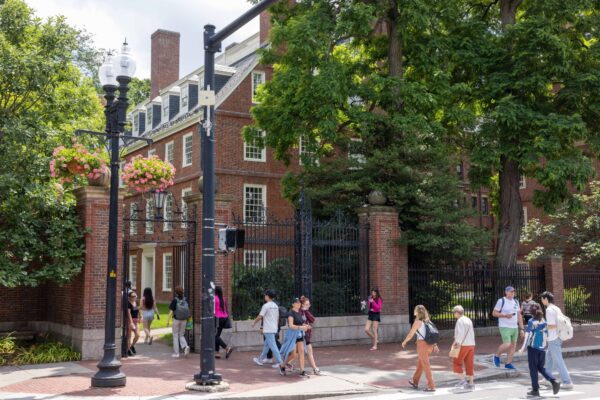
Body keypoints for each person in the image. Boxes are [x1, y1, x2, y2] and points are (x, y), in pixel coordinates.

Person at [518, 306, 561, 396]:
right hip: (542, 348)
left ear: (531, 313)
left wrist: (522, 348)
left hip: (533, 348)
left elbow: (527, 336)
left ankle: (535, 390)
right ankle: (554, 381)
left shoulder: (531, 322)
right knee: (540, 368)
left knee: (533, 369)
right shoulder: (544, 321)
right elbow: (547, 334)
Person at [541, 291, 574, 390]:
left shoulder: (549, 310)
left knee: (558, 361)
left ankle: (567, 382)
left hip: (553, 338)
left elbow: (552, 325)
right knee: (549, 358)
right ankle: (547, 378)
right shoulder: (556, 308)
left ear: (546, 299)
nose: (542, 301)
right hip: (558, 337)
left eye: (542, 299)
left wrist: (543, 326)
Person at [402, 305, 438, 392]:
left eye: (415, 310)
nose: (414, 311)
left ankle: (431, 386)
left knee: (426, 365)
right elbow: (432, 332)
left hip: (422, 345)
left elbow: (411, 334)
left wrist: (404, 341)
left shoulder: (417, 322)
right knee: (421, 364)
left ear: (417, 312)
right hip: (430, 345)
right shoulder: (427, 320)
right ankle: (415, 382)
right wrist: (435, 345)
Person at [252, 289, 285, 375]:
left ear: (267, 296)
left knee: (273, 346)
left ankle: (280, 362)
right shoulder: (275, 306)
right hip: (273, 328)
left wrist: (254, 322)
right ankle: (260, 359)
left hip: (268, 329)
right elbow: (277, 319)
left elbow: (260, 316)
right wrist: (276, 327)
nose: (264, 296)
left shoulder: (266, 306)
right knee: (267, 345)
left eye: (265, 295)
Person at [492, 286, 524, 369]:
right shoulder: (501, 301)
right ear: (506, 292)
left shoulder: (516, 301)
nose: (512, 293)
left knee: (513, 345)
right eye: (510, 291)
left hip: (514, 327)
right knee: (507, 344)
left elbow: (519, 315)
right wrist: (505, 315)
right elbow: (494, 313)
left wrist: (522, 329)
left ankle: (508, 363)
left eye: (513, 291)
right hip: (504, 326)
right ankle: (496, 356)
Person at [280, 297, 310, 378]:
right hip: (292, 335)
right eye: (297, 303)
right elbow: (291, 326)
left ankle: (302, 371)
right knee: (292, 354)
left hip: (299, 334)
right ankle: (282, 365)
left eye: (299, 303)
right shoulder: (290, 313)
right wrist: (301, 328)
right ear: (293, 304)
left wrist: (305, 325)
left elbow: (300, 323)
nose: (299, 304)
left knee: (301, 352)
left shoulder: (299, 312)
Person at [451, 305, 475, 391]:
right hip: (471, 344)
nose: (453, 314)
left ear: (457, 312)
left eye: (454, 312)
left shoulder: (460, 321)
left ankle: (463, 381)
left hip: (463, 345)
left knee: (456, 362)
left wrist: (457, 343)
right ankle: (471, 383)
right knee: (469, 364)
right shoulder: (468, 319)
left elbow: (460, 334)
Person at [166, 286, 191, 358]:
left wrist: (167, 321)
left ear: (176, 292)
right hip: (184, 319)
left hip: (176, 319)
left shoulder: (175, 300)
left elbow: (171, 311)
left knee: (175, 335)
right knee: (181, 335)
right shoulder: (186, 299)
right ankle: (185, 346)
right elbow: (188, 309)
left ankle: (176, 353)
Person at [300, 296, 321, 375]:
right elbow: (297, 322)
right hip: (299, 336)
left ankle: (315, 368)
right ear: (302, 305)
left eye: (309, 304)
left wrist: (306, 311)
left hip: (306, 336)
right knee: (293, 353)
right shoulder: (299, 312)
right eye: (306, 304)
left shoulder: (305, 312)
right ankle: (284, 364)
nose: (309, 306)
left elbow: (312, 319)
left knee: (309, 352)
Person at [214, 286, 234, 359]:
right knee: (217, 335)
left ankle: (227, 348)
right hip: (224, 318)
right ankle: (217, 353)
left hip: (217, 318)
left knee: (214, 336)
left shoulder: (214, 298)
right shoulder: (223, 298)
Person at [127, 291, 140, 356]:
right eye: (133, 296)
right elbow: (128, 313)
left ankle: (132, 346)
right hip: (130, 321)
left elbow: (138, 310)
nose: (134, 297)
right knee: (129, 336)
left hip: (136, 321)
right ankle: (128, 349)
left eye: (135, 296)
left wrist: (140, 317)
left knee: (137, 335)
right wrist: (131, 322)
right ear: (129, 297)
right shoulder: (128, 303)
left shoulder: (136, 302)